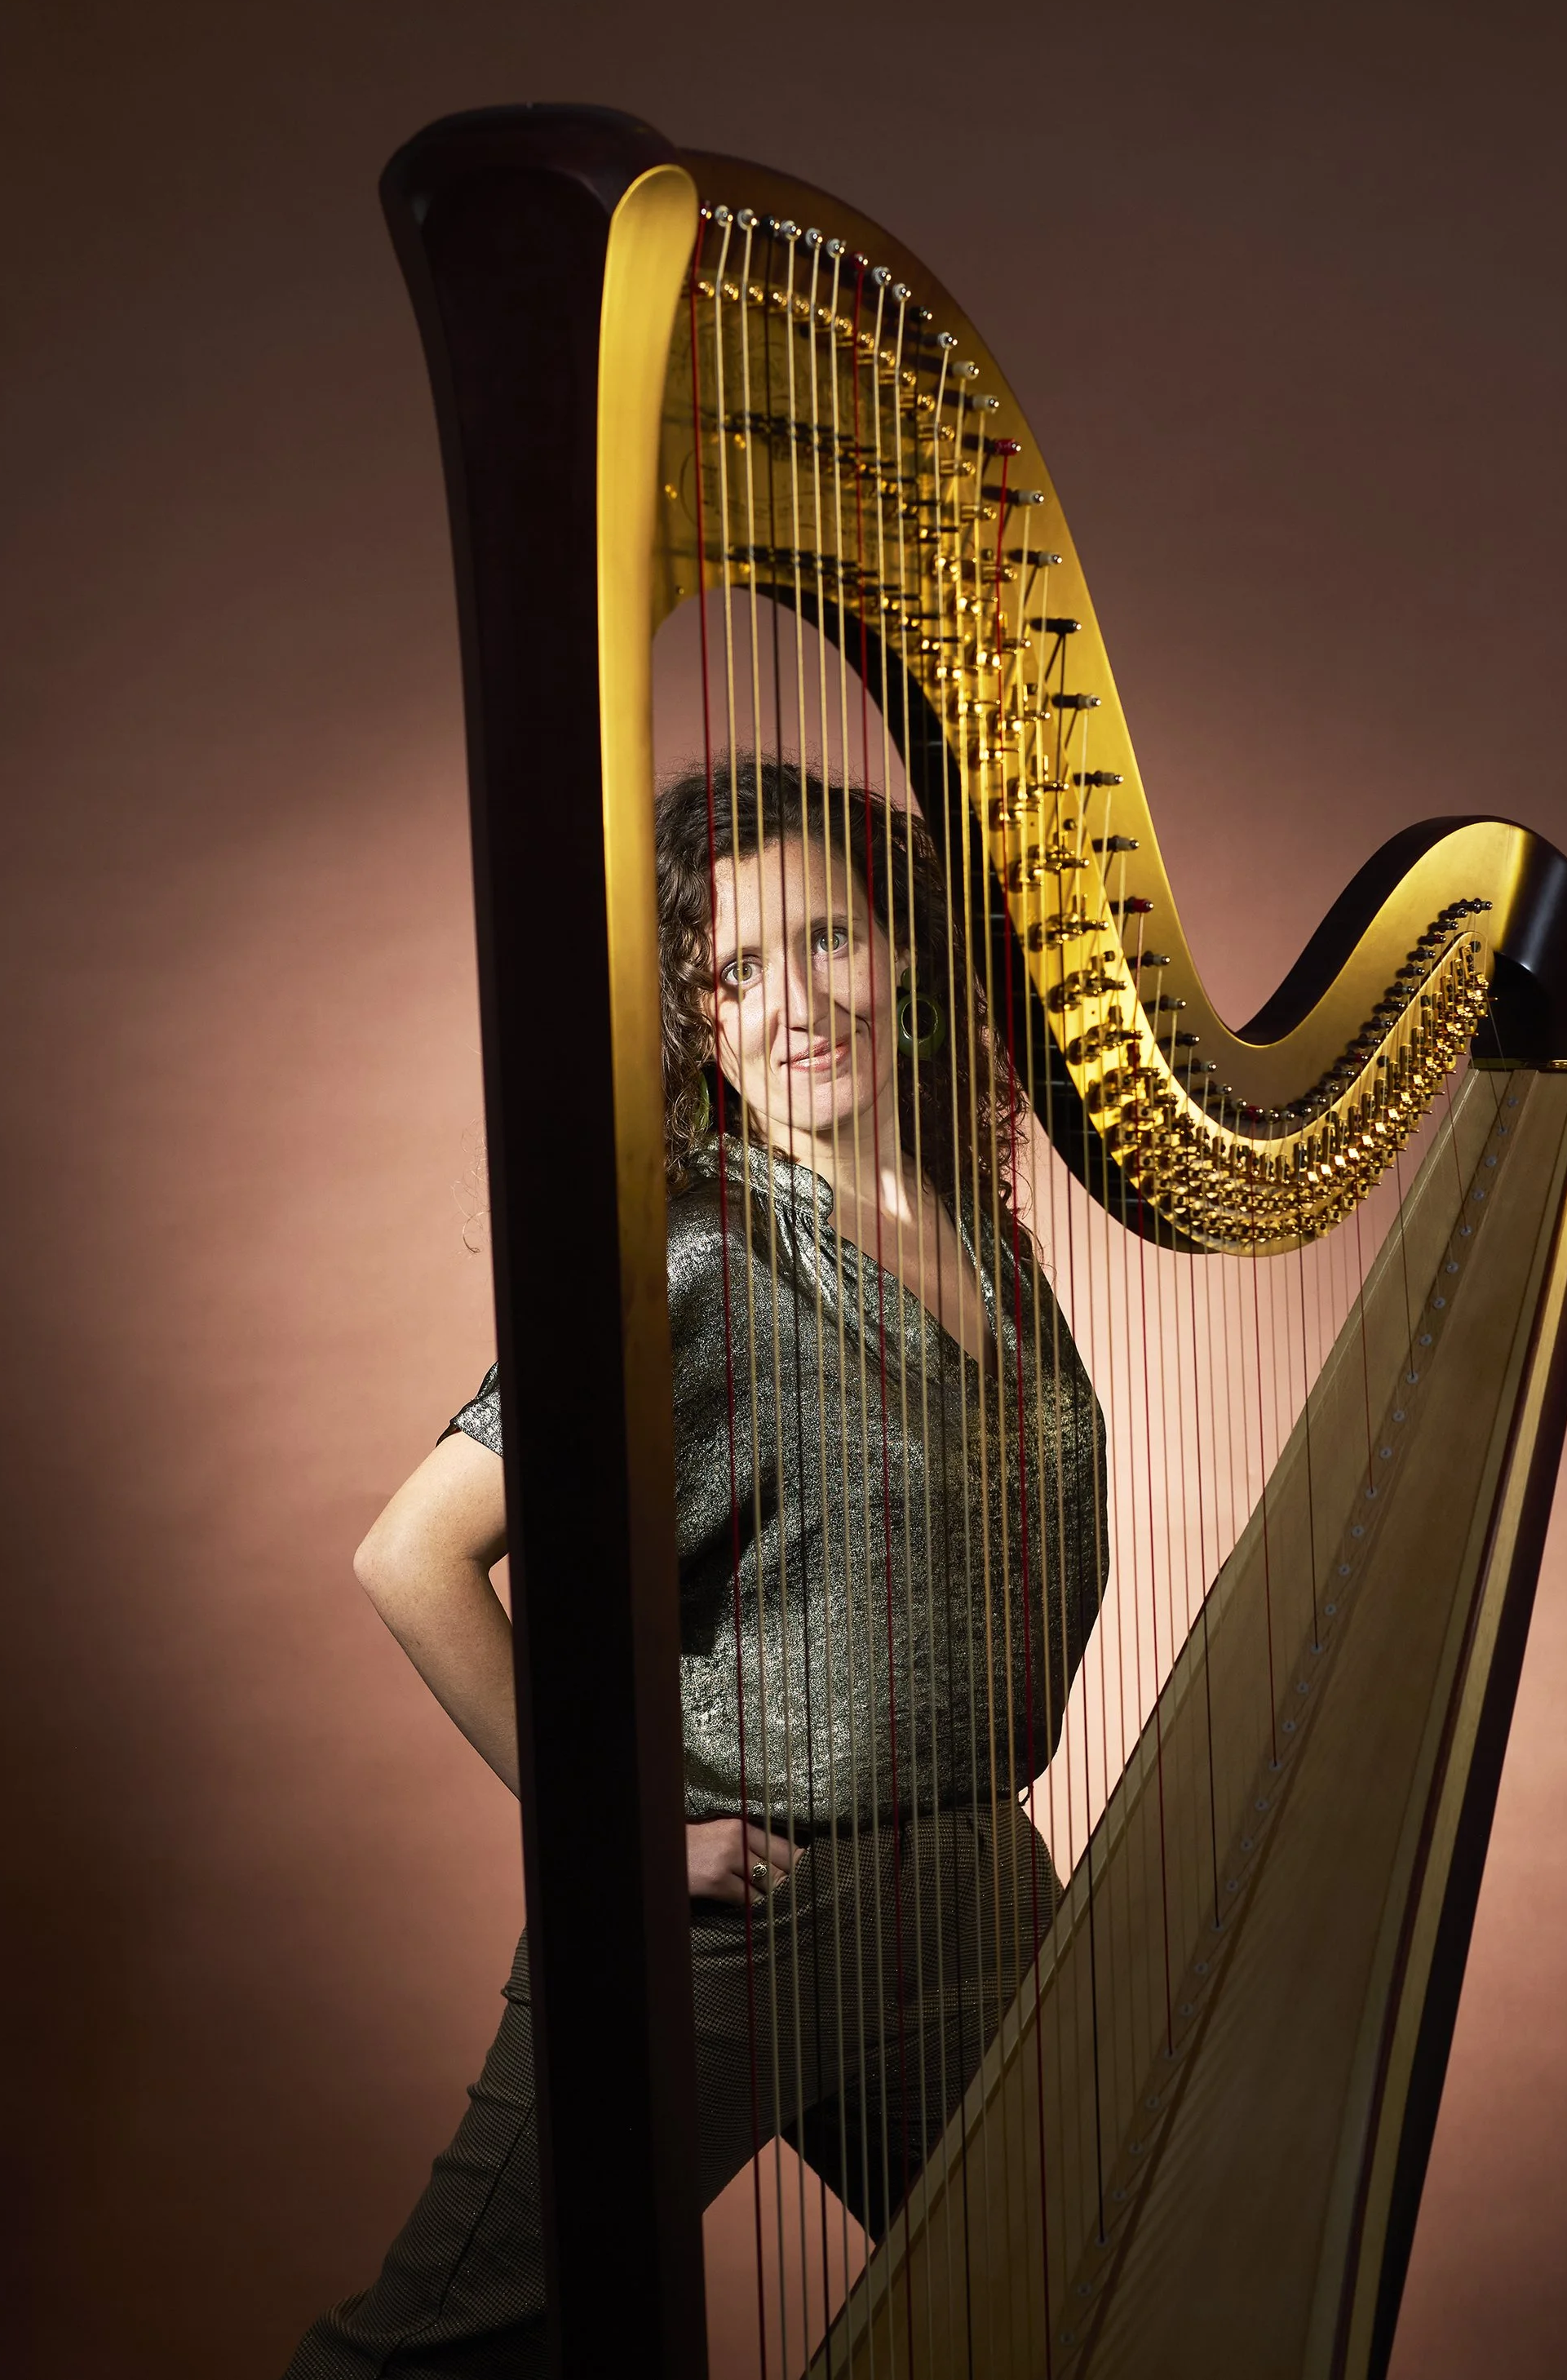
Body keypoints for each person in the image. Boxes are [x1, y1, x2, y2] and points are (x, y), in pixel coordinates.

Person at [286, 757, 1108, 2378]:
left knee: (1089, 2304)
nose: (796, 997)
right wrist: (610, 1829)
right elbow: (412, 1552)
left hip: (970, 1903)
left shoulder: (982, 1243)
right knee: (430, 2360)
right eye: (733, 968)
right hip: (747, 1921)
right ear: (695, 1024)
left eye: (828, 937)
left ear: (904, 961)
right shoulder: (699, 1262)